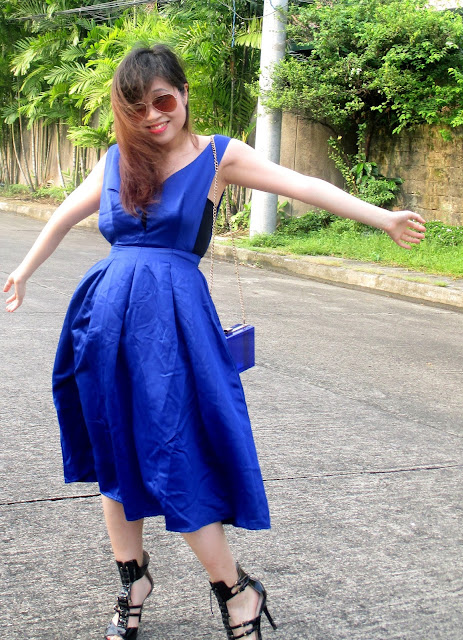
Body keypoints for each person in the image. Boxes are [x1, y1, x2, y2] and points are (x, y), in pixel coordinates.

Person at [3, 44, 426, 640]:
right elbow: (64, 215)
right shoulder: (118, 159)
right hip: (103, 324)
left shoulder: (217, 156)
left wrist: (382, 217)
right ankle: (133, 582)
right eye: (137, 107)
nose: (153, 116)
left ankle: (236, 590)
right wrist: (22, 271)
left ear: (182, 94)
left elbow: (302, 184)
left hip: (172, 328)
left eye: (162, 100)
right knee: (113, 454)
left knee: (177, 454)